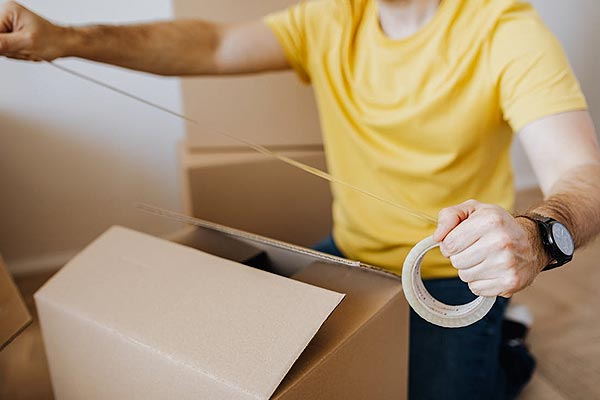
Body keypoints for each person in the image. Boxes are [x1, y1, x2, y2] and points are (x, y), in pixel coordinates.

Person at [1, 0, 599, 398]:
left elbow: (582, 172)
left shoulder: (505, 30)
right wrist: (65, 37)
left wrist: (536, 236)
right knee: (261, 364)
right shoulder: (332, 17)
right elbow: (208, 45)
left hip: (451, 278)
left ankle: (505, 343)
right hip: (347, 253)